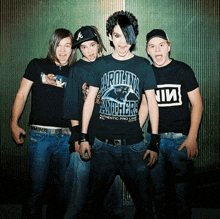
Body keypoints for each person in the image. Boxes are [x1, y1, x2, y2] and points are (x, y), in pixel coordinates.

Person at [78, 11, 160, 219]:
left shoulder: (143, 65)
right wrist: (83, 137)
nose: (122, 42)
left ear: (134, 36)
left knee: (145, 206)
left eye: (127, 35)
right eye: (117, 36)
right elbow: (89, 101)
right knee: (92, 205)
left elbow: (152, 103)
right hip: (102, 146)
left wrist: (154, 143)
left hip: (134, 147)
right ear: (110, 37)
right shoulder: (101, 64)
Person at [10, 28, 76, 219]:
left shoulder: (76, 71)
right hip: (40, 138)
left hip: (66, 139)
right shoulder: (37, 65)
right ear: (52, 46)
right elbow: (22, 95)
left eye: (67, 46)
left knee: (61, 193)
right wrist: (14, 123)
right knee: (35, 191)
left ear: (73, 49)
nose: (62, 51)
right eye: (58, 46)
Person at [63, 25, 123, 219]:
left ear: (99, 44)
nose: (89, 51)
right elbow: (72, 105)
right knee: (79, 189)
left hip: (107, 137)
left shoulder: (109, 64)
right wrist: (79, 138)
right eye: (83, 47)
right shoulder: (77, 69)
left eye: (92, 45)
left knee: (110, 188)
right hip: (85, 136)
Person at [145, 29, 203, 219]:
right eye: (152, 46)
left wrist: (192, 137)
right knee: (158, 195)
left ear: (169, 47)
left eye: (161, 45)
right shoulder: (147, 73)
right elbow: (144, 105)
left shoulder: (182, 69)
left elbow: (197, 105)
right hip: (155, 142)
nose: (157, 50)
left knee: (182, 197)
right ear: (147, 50)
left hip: (181, 141)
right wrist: (135, 135)